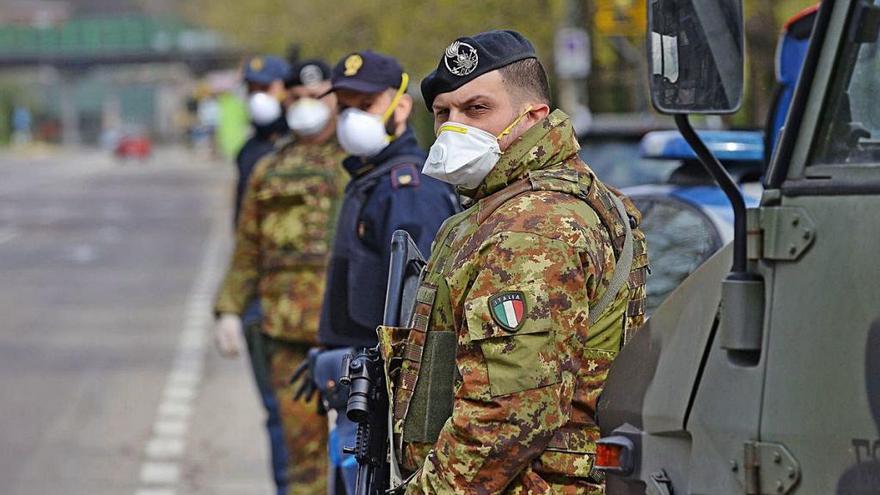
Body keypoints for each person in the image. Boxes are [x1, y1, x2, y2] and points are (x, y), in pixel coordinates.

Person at [382, 30, 649, 494]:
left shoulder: (532, 228)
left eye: (477, 109)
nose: (453, 127)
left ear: (533, 116)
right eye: (443, 113)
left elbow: (505, 418)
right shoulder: (514, 206)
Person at [305, 50, 459, 494]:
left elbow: (418, 307)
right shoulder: (374, 177)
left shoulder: (406, 187)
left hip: (381, 396)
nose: (353, 117)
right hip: (358, 384)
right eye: (346, 106)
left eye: (365, 105)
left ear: (401, 107)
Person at [213, 58, 346, 495]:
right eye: (298, 98)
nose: (307, 106)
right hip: (287, 331)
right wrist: (229, 309)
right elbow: (247, 246)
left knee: (364, 455)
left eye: (316, 97)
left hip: (354, 333)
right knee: (301, 458)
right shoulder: (268, 170)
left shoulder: (361, 164)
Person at [213, 54, 292, 495]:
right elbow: (245, 237)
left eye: (270, 88)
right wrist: (230, 304)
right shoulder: (249, 153)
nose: (261, 98)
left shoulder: (317, 148)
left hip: (313, 305)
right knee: (278, 413)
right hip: (264, 303)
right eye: (254, 90)